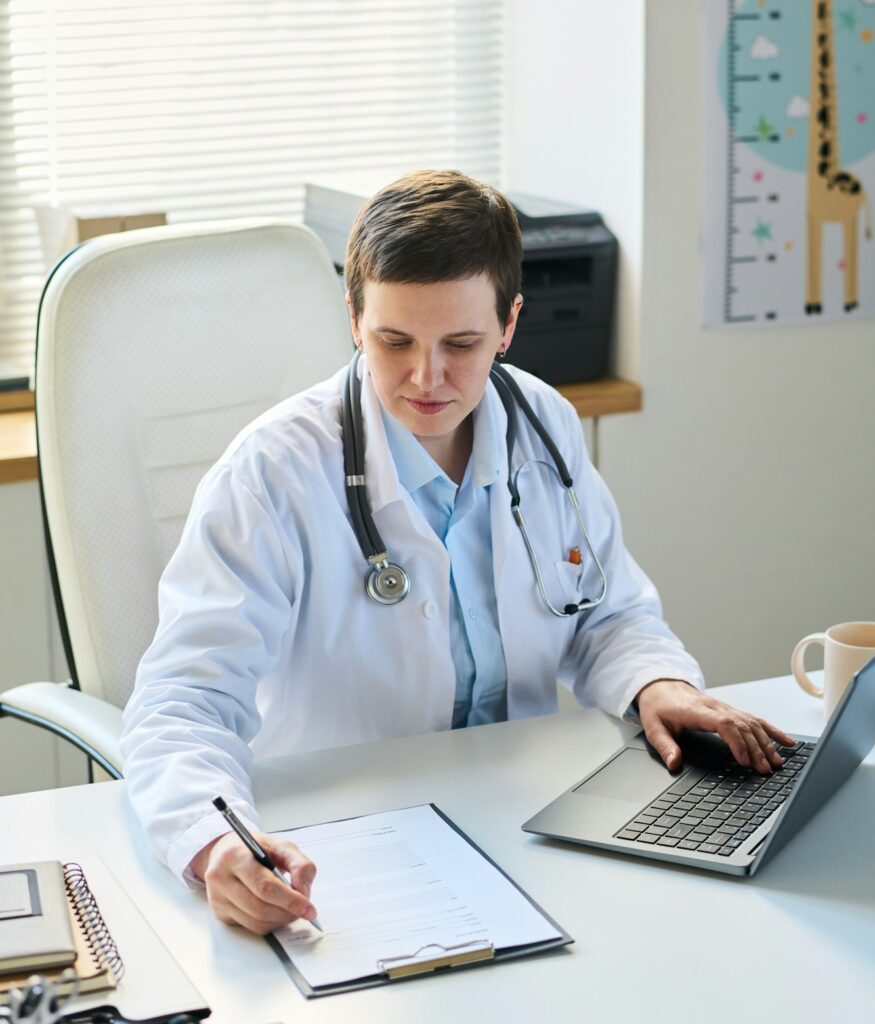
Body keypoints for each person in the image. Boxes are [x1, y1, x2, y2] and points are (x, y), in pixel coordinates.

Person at [121, 170, 794, 936]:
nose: (426, 378)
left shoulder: (541, 423)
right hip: (345, 847)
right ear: (352, 318)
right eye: (393, 340)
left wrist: (655, 681)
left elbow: (606, 614)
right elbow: (182, 704)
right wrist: (214, 846)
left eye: (462, 343)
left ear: (508, 325)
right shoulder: (272, 473)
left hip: (524, 819)